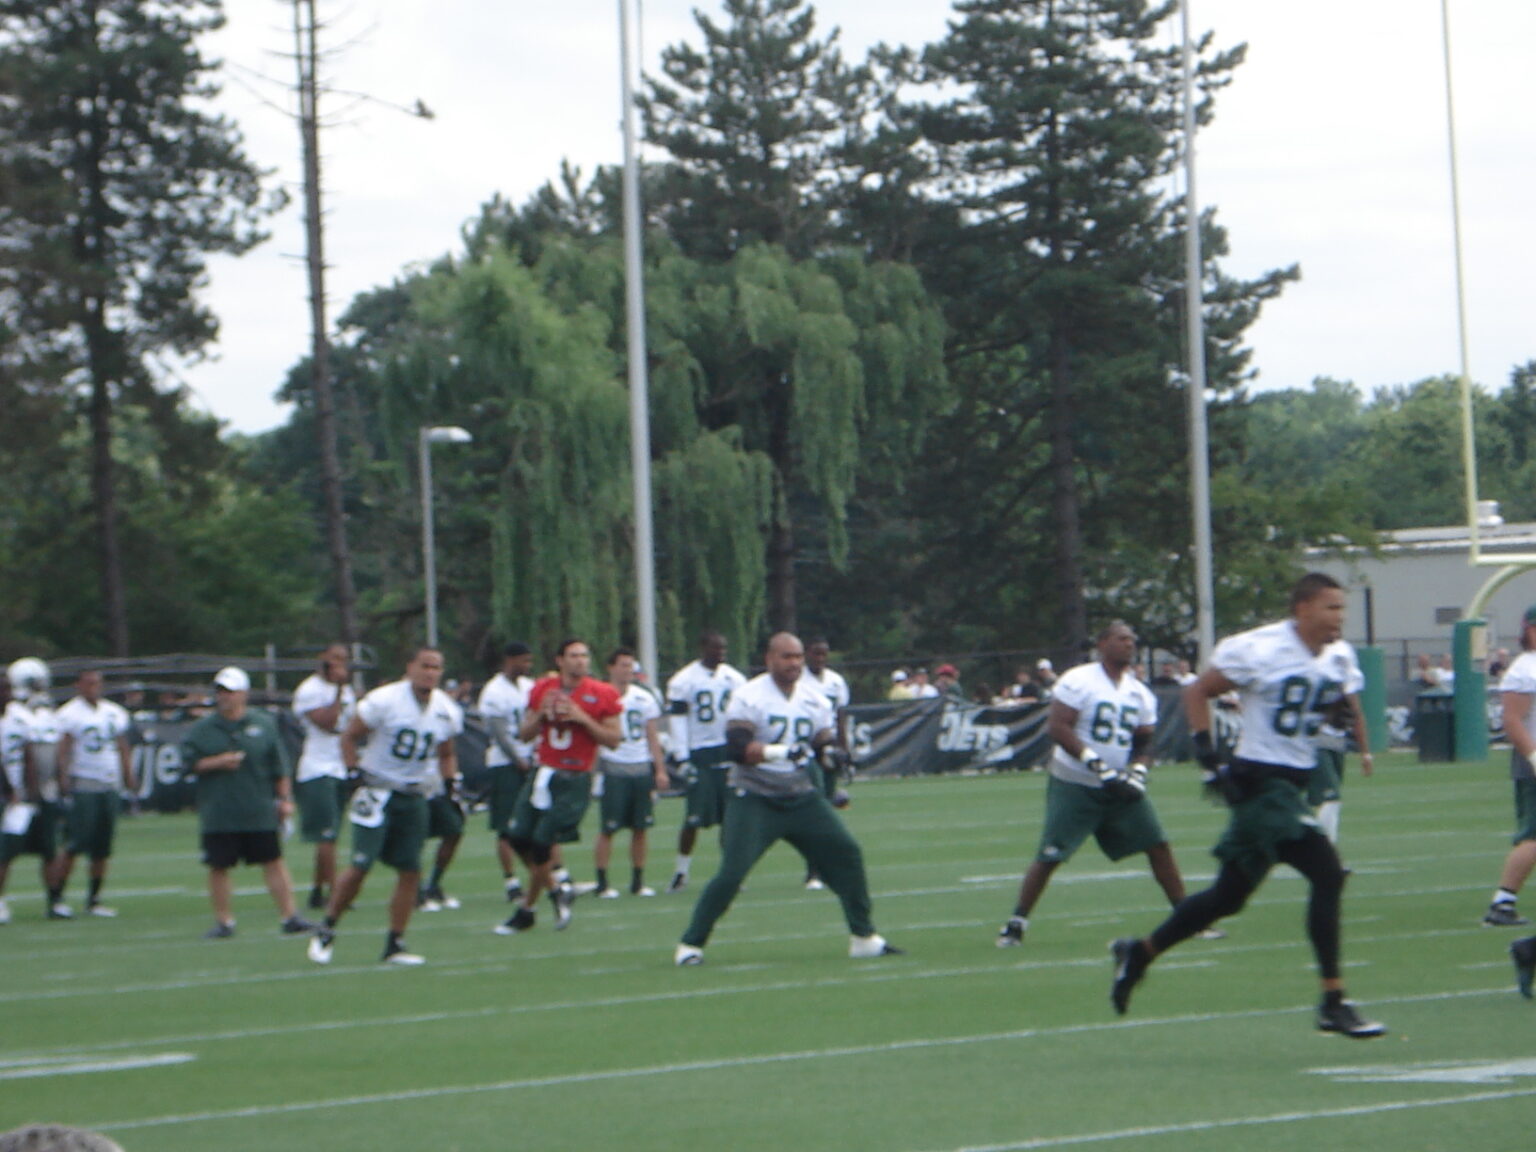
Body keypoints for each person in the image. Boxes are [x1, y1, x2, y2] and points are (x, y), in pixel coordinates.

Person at [1108, 573, 1386, 1038]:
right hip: (1262, 783)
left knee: (1229, 897)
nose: (1339, 617)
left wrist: (1334, 715)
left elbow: (1324, 703)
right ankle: (1333, 1000)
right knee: (1328, 873)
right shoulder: (1263, 648)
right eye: (1331, 607)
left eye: (1342, 608)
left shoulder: (1339, 656)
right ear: (1302, 608)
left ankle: (1140, 952)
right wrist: (1208, 759)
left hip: (1292, 781)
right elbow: (1198, 691)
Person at [675, 633, 902, 965]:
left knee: (847, 853)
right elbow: (737, 748)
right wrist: (779, 751)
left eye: (797, 657)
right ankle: (691, 945)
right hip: (754, 796)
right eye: (786, 656)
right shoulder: (749, 695)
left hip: (799, 795)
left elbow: (822, 742)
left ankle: (863, 936)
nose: (794, 663)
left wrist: (833, 755)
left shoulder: (814, 699)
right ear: (769, 659)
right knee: (732, 872)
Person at [996, 623, 1215, 948]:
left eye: (1132, 639)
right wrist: (1096, 764)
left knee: (1158, 845)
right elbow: (1058, 727)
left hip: (1117, 785)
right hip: (1075, 782)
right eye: (1121, 638)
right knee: (1051, 854)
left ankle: (1187, 919)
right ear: (1102, 644)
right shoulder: (1079, 680)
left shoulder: (1139, 692)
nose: (1129, 644)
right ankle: (1016, 923)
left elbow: (1144, 742)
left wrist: (1137, 772)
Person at [308, 648, 463, 965]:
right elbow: (349, 736)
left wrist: (450, 786)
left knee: (411, 870)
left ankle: (395, 942)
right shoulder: (385, 700)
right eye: (425, 666)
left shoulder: (446, 709)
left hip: (414, 794)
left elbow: (446, 753)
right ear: (410, 667)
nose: (430, 673)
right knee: (361, 865)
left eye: (436, 667)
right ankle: (327, 927)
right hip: (377, 790)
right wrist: (353, 773)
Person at [496, 638, 622, 935]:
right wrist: (541, 713)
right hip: (543, 773)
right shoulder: (543, 688)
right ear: (560, 660)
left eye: (584, 655)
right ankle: (553, 892)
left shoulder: (602, 693)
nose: (581, 660)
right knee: (517, 837)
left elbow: (614, 740)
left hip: (575, 777)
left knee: (542, 841)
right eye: (574, 655)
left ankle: (531, 906)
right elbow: (524, 734)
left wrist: (582, 718)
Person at [180, 667, 312, 940]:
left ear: (243, 694)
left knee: (273, 861)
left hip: (258, 808)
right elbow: (188, 764)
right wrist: (217, 762)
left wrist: (285, 800)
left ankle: (290, 916)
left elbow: (279, 767)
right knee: (219, 866)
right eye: (220, 691)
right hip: (219, 810)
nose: (224, 697)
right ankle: (224, 921)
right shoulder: (202, 730)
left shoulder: (264, 724)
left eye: (230, 691)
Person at [664, 631, 747, 893]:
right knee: (693, 818)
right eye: (715, 648)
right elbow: (677, 719)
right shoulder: (684, 680)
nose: (720, 653)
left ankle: (730, 873)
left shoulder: (734, 678)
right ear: (703, 648)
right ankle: (681, 871)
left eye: (723, 648)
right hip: (700, 752)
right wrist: (681, 756)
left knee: (731, 818)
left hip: (727, 750)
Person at [52, 669, 137, 917]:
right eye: (88, 683)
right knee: (76, 842)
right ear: (78, 685)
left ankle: (94, 899)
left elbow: (122, 746)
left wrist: (129, 775)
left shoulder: (113, 712)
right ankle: (57, 897)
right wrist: (63, 778)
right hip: (84, 783)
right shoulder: (69, 713)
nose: (93, 687)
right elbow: (64, 748)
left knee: (102, 845)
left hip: (109, 782)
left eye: (97, 683)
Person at [591, 647, 669, 898]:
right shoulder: (600, 695)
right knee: (608, 828)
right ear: (611, 668)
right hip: (613, 766)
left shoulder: (644, 697)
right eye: (623, 665)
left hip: (640, 766)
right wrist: (592, 771)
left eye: (630, 666)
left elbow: (652, 736)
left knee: (641, 827)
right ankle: (602, 882)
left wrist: (660, 769)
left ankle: (637, 881)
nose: (628, 670)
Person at [0, 659, 70, 923]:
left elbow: (33, 755)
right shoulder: (20, 715)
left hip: (32, 794)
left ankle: (55, 900)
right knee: (5, 852)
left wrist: (38, 790)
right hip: (9, 796)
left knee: (49, 848)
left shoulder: (29, 716)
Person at [290, 643, 356, 911]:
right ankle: (334, 892)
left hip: (339, 765)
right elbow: (327, 722)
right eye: (335, 658)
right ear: (324, 659)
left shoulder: (347, 690)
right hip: (318, 767)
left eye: (344, 659)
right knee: (326, 835)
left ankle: (318, 891)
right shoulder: (310, 690)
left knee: (331, 835)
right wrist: (339, 690)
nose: (340, 663)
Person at [1484, 604, 1536, 928]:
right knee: (1533, 837)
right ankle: (1502, 903)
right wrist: (1534, 757)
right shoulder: (1525, 669)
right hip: (1533, 759)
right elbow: (1512, 720)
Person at [479, 641, 537, 902]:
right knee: (506, 826)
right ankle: (511, 881)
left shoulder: (528, 686)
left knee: (533, 822)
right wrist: (517, 759)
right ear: (509, 660)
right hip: (505, 764)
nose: (527, 665)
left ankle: (544, 874)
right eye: (523, 660)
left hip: (530, 759)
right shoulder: (494, 691)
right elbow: (499, 733)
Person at [800, 637, 854, 888]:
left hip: (829, 749)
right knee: (815, 808)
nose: (820, 659)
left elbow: (841, 718)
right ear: (807, 654)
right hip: (808, 749)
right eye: (816, 653)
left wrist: (845, 750)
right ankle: (814, 869)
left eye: (824, 654)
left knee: (827, 808)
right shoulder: (799, 680)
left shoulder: (835, 681)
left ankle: (821, 867)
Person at [1310, 691, 1373, 848]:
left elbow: (1357, 713)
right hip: (1316, 741)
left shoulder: (1348, 679)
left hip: (1337, 743)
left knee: (1325, 800)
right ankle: (1325, 850)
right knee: (1331, 798)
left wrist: (1366, 754)